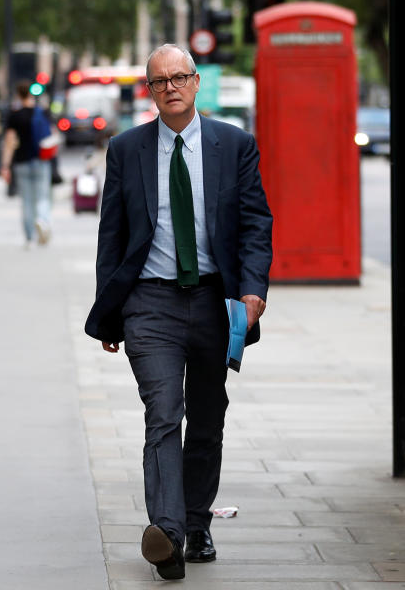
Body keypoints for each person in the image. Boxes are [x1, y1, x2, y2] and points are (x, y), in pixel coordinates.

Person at [84, 44, 273, 580]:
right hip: (150, 302)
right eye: (158, 80)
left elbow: (257, 222)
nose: (169, 87)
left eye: (179, 77)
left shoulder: (233, 145)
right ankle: (166, 535)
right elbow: (112, 234)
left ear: (195, 84)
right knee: (163, 413)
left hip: (217, 301)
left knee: (208, 417)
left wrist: (254, 290)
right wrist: (109, 313)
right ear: (149, 91)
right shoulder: (126, 149)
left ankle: (197, 522)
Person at [1, 81, 52, 248]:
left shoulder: (14, 116)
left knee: (27, 201)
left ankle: (29, 237)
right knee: (43, 197)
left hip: (21, 162)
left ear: (18, 94)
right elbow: (52, 135)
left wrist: (5, 165)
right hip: (41, 160)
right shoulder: (42, 112)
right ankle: (42, 221)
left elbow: (9, 142)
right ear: (31, 94)